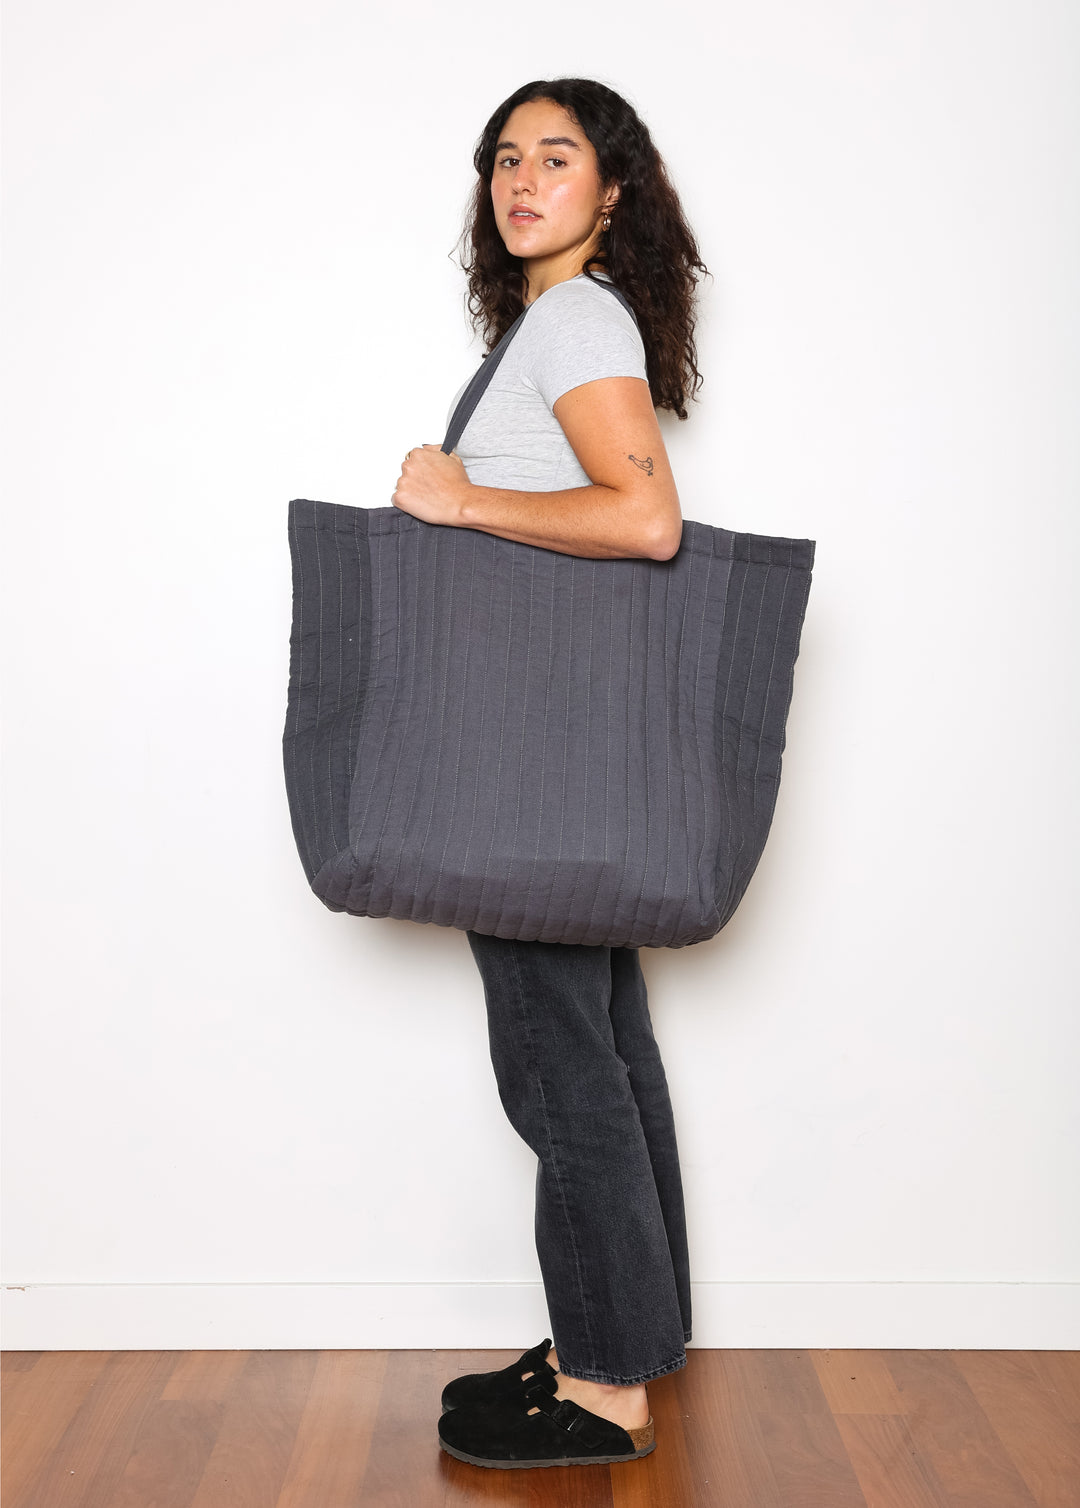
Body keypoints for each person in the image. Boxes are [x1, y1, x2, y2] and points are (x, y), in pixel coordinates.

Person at [391, 77, 708, 1470]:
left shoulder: (577, 319)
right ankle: (622, 1343)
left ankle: (608, 1393)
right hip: (561, 743)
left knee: (557, 1065)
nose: (524, 180)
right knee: (606, 1049)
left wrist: (458, 498)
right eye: (505, 159)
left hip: (528, 754)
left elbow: (645, 519)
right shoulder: (560, 319)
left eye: (558, 157)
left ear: (614, 188)